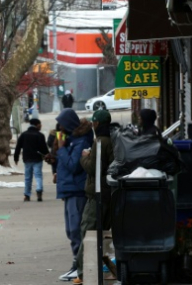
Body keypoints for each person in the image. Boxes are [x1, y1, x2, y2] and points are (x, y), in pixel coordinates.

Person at [73, 110, 115, 285]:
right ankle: (99, 267)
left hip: (97, 196)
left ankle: (83, 272)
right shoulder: (112, 140)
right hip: (108, 195)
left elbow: (93, 169)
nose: (92, 126)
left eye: (93, 123)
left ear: (97, 124)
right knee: (100, 233)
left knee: (88, 232)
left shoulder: (99, 142)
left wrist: (84, 158)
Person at [54, 108, 94, 282]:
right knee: (71, 230)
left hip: (76, 190)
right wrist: (56, 157)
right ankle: (76, 263)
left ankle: (78, 267)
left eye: (61, 124)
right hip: (69, 189)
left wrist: (62, 150)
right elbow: (67, 163)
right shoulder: (72, 140)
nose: (59, 128)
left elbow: (73, 165)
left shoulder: (81, 141)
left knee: (76, 229)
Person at [14, 118, 49, 202]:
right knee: (38, 175)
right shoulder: (40, 135)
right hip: (37, 158)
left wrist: (16, 157)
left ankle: (27, 195)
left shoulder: (23, 135)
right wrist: (47, 155)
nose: (41, 126)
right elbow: (44, 148)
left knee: (28, 177)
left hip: (27, 158)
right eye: (40, 125)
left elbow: (18, 147)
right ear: (37, 125)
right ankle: (39, 190)